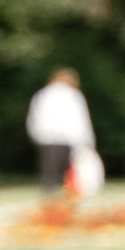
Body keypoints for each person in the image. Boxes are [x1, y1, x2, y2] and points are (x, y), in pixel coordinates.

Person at [26, 66, 95, 196]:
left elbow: (35, 118)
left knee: (49, 169)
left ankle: (48, 194)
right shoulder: (73, 95)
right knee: (68, 169)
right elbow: (80, 120)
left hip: (46, 139)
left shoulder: (43, 94)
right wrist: (87, 141)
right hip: (68, 138)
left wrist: (36, 135)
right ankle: (67, 194)